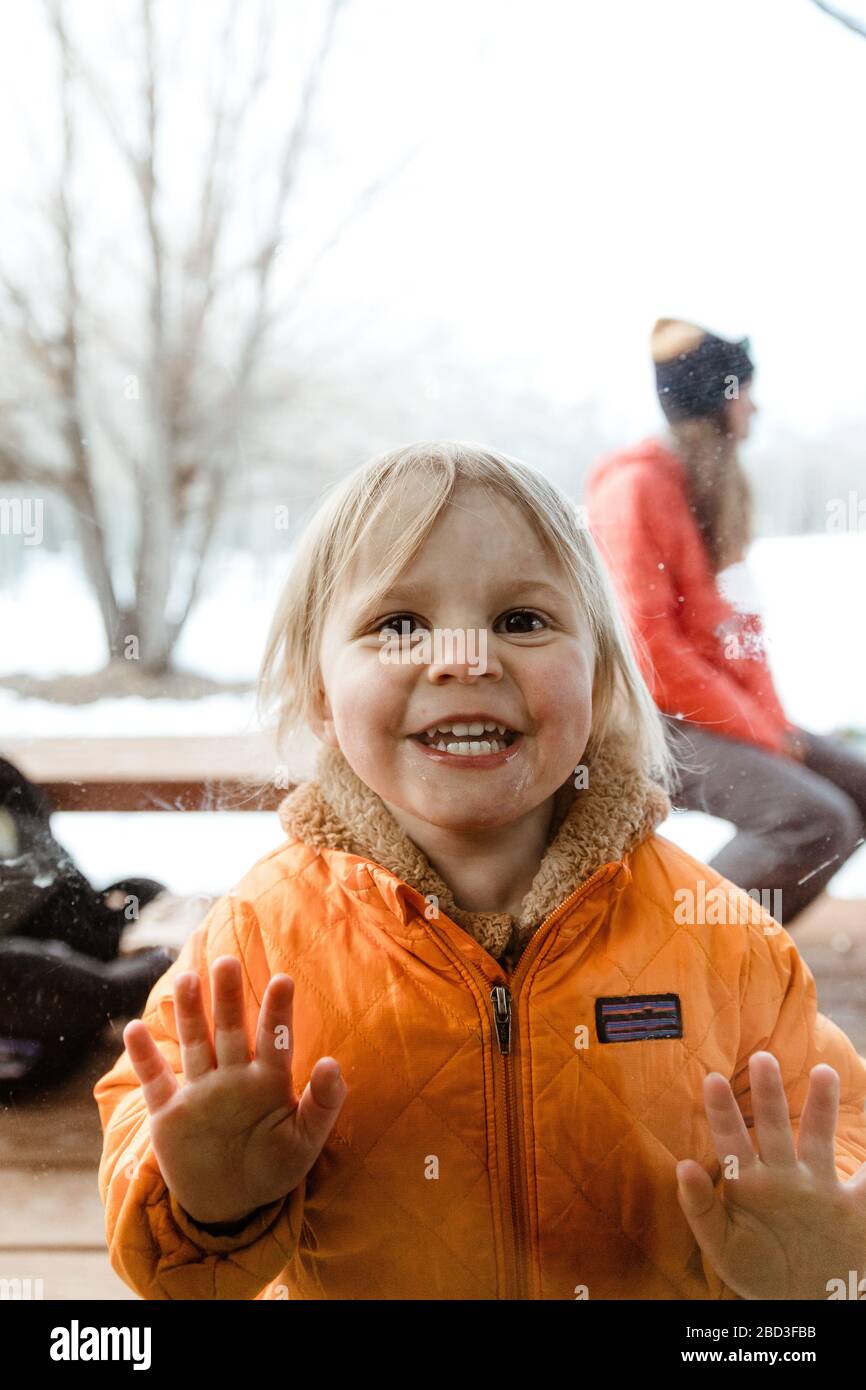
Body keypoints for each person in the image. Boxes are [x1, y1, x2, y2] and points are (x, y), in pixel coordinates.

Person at [94, 441, 866, 1301]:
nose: (464, 657)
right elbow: (157, 1187)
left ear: (603, 678)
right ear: (319, 689)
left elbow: (833, 1131)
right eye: (399, 625)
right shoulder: (258, 937)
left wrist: (824, 1257)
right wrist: (204, 1202)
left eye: (521, 621)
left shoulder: (723, 939)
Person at [583, 319, 866, 929]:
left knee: (860, 785)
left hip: (710, 713)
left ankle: (744, 950)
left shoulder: (706, 486)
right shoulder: (636, 489)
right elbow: (649, 652)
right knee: (815, 820)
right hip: (645, 722)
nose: (754, 406)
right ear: (715, 398)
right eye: (744, 391)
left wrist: (772, 724)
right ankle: (670, 951)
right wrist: (762, 734)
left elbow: (737, 637)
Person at [0, 755, 174, 1093]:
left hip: (52, 921)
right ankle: (131, 984)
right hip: (49, 967)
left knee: (138, 893)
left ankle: (129, 981)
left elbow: (89, 915)